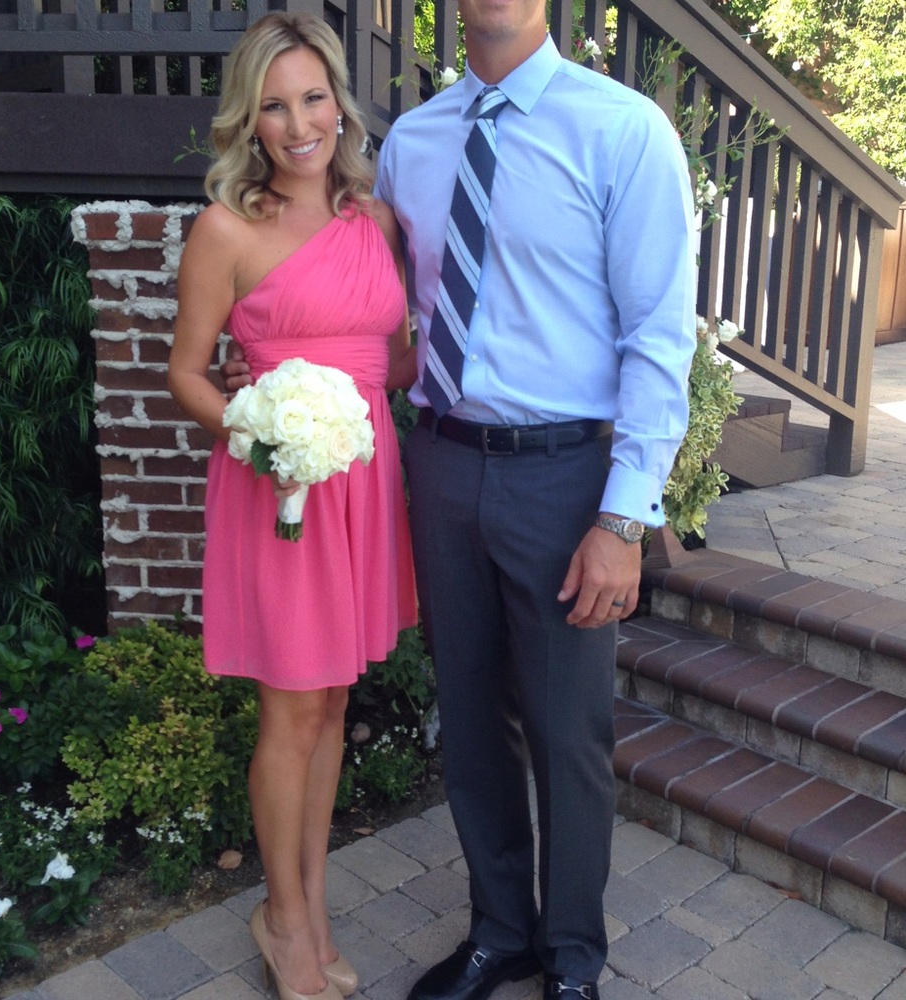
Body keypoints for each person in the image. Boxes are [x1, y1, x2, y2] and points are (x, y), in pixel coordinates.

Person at [225, 0, 696, 996]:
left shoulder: (621, 130)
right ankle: (498, 930)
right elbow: (385, 315)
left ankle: (570, 954)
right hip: (434, 463)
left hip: (565, 473)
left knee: (568, 730)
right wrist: (294, 389)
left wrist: (623, 518)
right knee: (471, 714)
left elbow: (658, 337)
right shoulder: (414, 145)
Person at [167, 12, 417, 1000]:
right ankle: (283, 918)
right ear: (249, 120)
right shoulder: (225, 229)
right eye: (274, 104)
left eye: (312, 97)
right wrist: (260, 425)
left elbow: (392, 358)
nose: (298, 121)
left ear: (338, 106)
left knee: (334, 699)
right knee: (292, 707)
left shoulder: (378, 222)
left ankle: (310, 904)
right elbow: (186, 374)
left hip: (366, 478)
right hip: (281, 485)